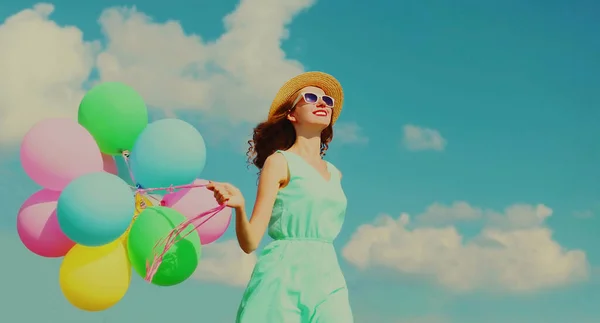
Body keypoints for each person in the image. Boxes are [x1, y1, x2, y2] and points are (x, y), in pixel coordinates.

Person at [207, 71, 353, 323]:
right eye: (311, 97)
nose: (322, 103)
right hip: (283, 274)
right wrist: (240, 207)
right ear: (292, 114)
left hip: (328, 274)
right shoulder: (278, 162)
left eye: (327, 100)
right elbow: (250, 242)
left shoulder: (335, 174)